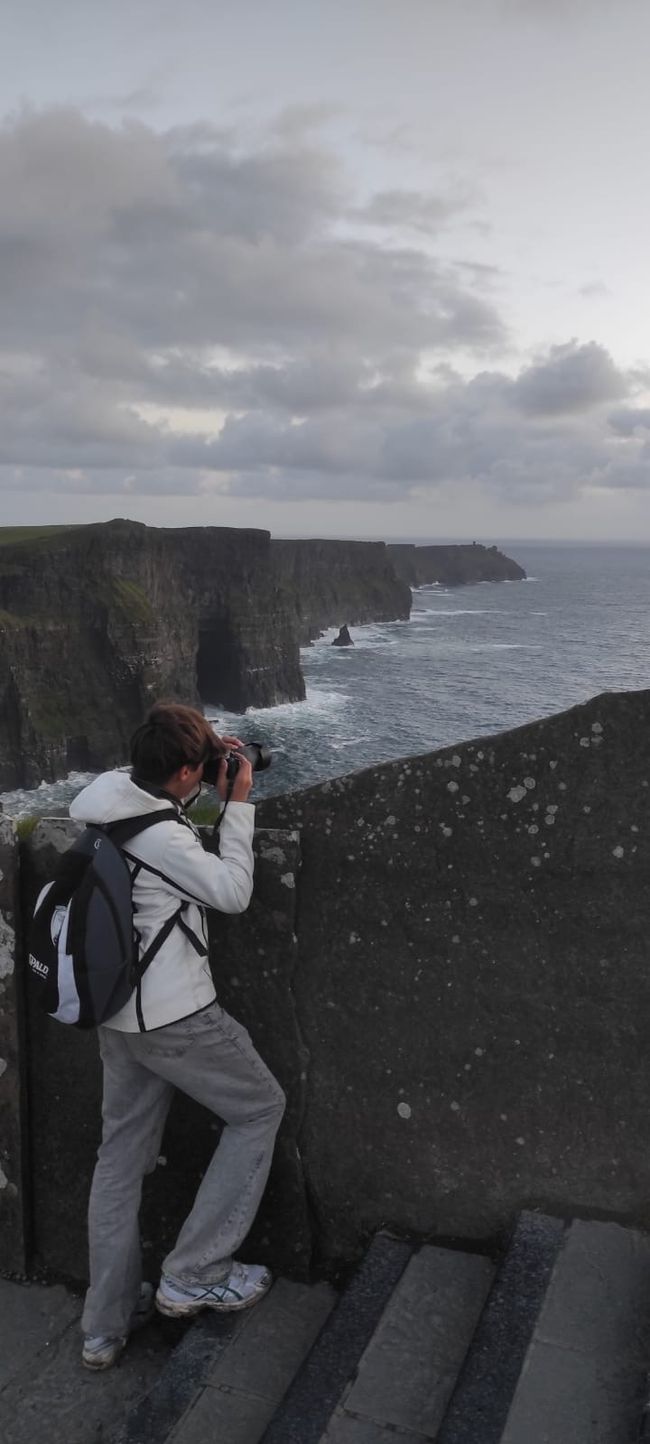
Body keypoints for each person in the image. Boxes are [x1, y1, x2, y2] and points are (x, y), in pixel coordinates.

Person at [70, 701, 286, 1371]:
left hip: (116, 1016)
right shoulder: (164, 838)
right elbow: (231, 893)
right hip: (175, 1016)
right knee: (260, 1108)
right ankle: (195, 1272)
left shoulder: (104, 797)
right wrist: (237, 802)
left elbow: (154, 787)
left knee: (118, 1160)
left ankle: (102, 1327)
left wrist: (199, 754)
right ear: (189, 771)